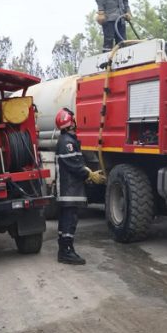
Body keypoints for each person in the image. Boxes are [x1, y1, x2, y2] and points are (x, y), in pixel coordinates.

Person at [54, 107, 105, 265]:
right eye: (73, 119)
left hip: (69, 188)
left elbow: (74, 163)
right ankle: (66, 252)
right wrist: (89, 174)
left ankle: (64, 249)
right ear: (70, 122)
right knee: (70, 219)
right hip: (70, 189)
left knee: (66, 219)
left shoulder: (66, 140)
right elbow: (74, 165)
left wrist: (87, 170)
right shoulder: (67, 142)